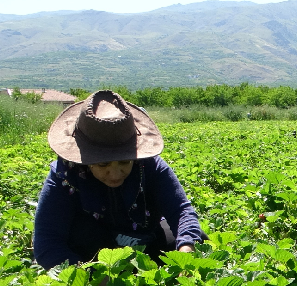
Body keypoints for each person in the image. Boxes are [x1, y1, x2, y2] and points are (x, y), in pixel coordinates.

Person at [33, 90, 206, 269]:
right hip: (94, 248)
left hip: (145, 237)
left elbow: (181, 211)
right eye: (103, 165)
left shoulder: (150, 165)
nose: (115, 174)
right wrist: (92, 278)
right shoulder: (64, 175)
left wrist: (186, 252)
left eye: (125, 162)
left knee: (195, 238)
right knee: (80, 237)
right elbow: (47, 242)